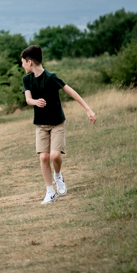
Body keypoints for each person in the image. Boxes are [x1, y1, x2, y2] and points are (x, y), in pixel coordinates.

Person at [20, 44, 96, 205]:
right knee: (44, 157)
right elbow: (27, 99)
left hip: (57, 123)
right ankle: (50, 192)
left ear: (30, 62)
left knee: (55, 155)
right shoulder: (26, 80)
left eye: (22, 62)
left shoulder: (51, 77)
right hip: (40, 125)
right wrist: (35, 101)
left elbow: (71, 92)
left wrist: (88, 109)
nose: (22, 65)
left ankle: (58, 176)